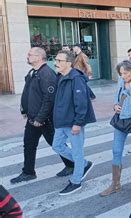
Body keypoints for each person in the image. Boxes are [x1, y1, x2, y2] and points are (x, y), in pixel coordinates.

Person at [10, 47, 75, 184]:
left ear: (39, 57)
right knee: (29, 144)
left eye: (30, 54)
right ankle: (28, 172)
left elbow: (49, 99)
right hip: (33, 118)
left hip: (44, 120)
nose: (27, 56)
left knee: (56, 144)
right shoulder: (33, 72)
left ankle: (74, 164)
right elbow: (29, 92)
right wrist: (24, 109)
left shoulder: (46, 74)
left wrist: (40, 118)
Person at [100, 60, 131, 197]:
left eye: (125, 73)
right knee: (116, 150)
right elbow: (117, 97)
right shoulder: (121, 81)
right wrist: (115, 106)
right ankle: (115, 184)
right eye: (121, 73)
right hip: (121, 119)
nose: (123, 76)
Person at [52, 50, 95, 195]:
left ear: (68, 63)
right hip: (61, 121)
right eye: (55, 60)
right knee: (57, 146)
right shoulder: (61, 77)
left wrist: (78, 123)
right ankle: (83, 164)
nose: (55, 63)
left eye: (59, 61)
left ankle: (76, 181)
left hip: (73, 123)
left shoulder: (75, 79)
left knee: (77, 153)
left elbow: (81, 103)